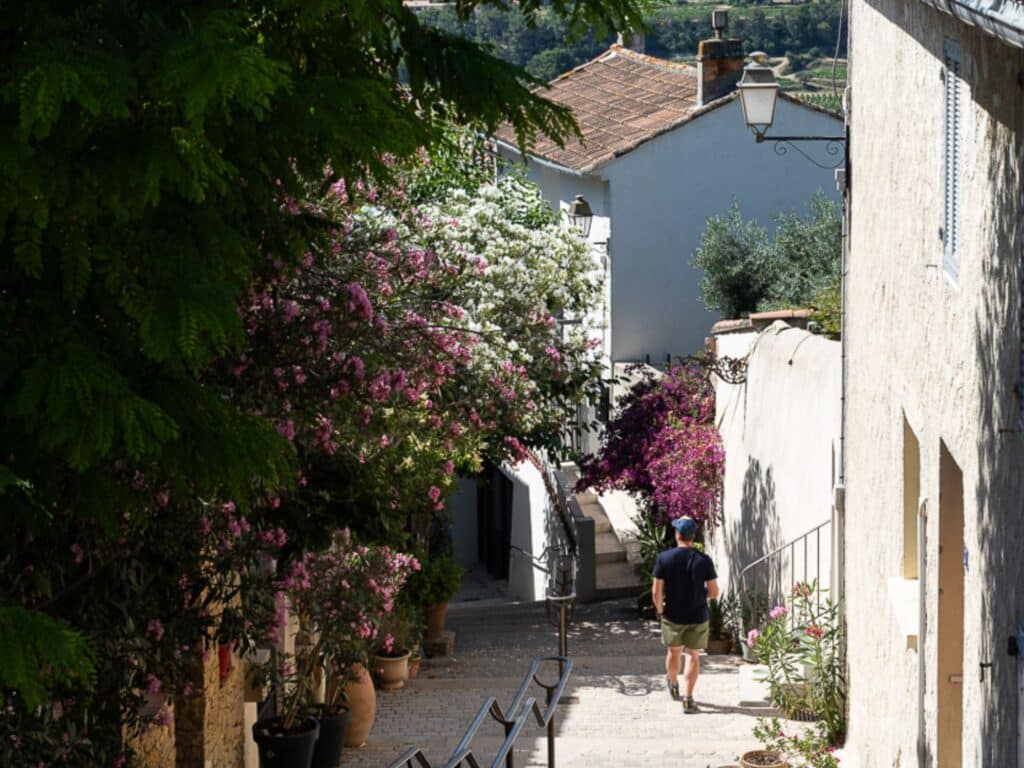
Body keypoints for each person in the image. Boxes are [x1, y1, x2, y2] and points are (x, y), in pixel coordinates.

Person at [651, 516, 719, 713]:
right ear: (693, 536)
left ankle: (673, 685)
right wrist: (700, 594)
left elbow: (657, 592)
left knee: (673, 652)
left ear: (677, 534)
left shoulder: (664, 558)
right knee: (693, 656)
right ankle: (688, 699)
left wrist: (660, 610)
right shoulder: (704, 560)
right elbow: (714, 592)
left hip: (672, 614)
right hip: (698, 615)